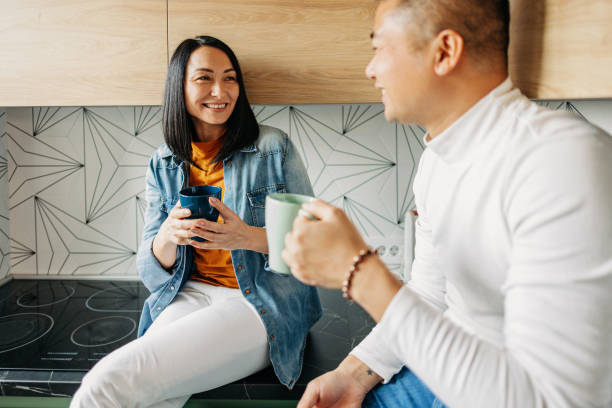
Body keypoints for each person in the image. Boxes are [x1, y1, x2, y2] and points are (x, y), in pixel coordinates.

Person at [282, 0, 612, 407]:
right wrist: (353, 373)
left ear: (444, 52)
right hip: (442, 376)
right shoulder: (436, 161)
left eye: (381, 47)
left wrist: (359, 272)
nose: (371, 69)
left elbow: (544, 399)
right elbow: (430, 293)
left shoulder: (561, 161)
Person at [71, 35, 321, 407]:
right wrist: (168, 237)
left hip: (258, 300)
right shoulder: (164, 161)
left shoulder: (273, 147)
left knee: (105, 384)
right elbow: (152, 273)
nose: (220, 91)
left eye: (230, 78)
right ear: (180, 87)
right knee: (151, 398)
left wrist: (247, 236)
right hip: (188, 295)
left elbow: (314, 246)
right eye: (204, 78)